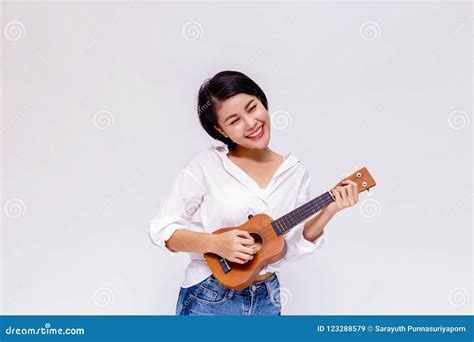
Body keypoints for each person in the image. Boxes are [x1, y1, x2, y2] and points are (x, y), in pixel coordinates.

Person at [148, 70, 359, 315]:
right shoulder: (206, 165)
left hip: (267, 298)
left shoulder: (294, 172)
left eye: (252, 107)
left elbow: (287, 249)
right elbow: (162, 230)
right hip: (210, 297)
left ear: (262, 101)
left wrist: (330, 209)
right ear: (221, 130)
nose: (251, 123)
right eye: (234, 120)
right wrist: (215, 243)